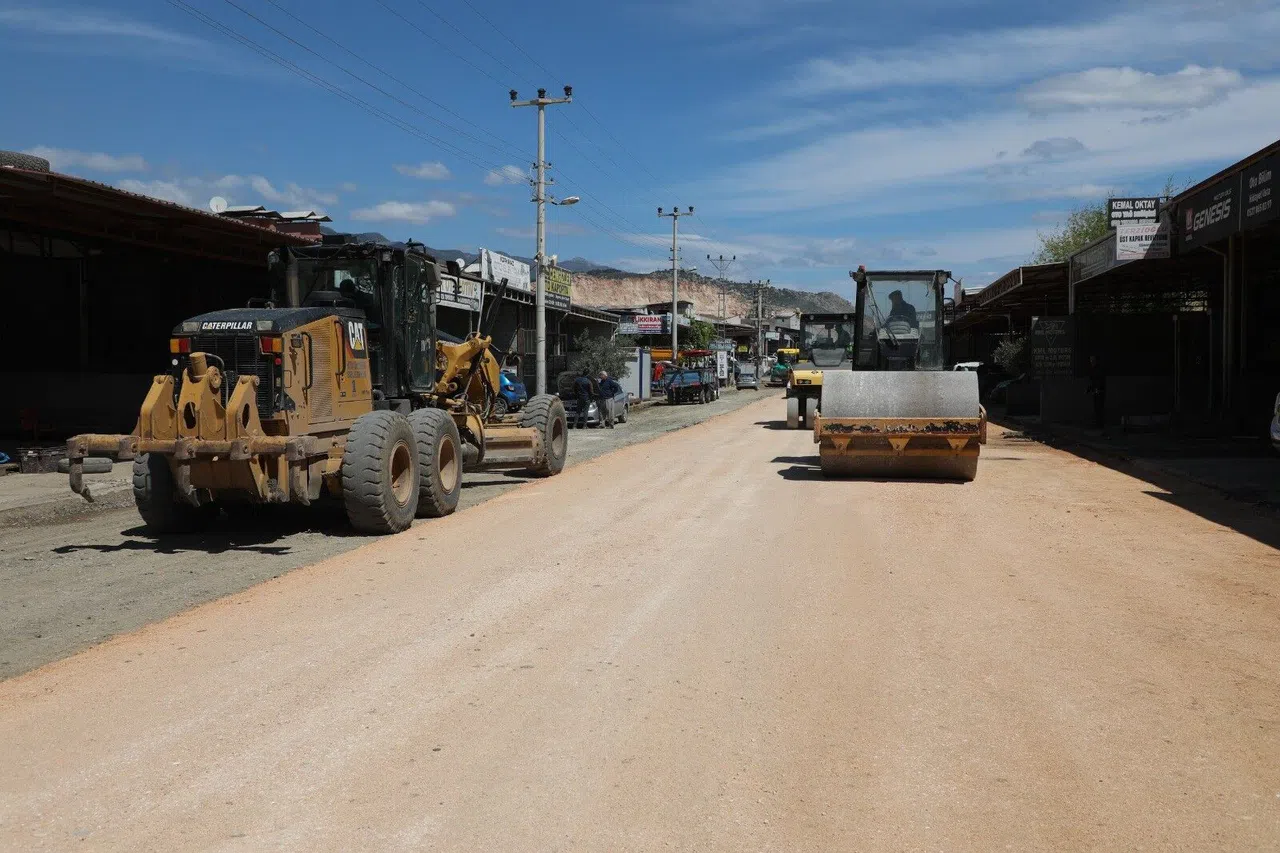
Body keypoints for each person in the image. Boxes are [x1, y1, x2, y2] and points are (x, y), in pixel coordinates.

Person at [1087, 354, 1107, 431]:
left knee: (1099, 408)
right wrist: (1089, 389)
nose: (1091, 362)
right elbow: (1092, 381)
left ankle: (1100, 424)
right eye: (1090, 360)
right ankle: (1098, 423)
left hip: (1099, 391)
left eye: (1092, 360)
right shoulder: (1092, 369)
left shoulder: (1099, 369)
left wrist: (1098, 389)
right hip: (1095, 391)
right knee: (1096, 408)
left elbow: (1099, 380)